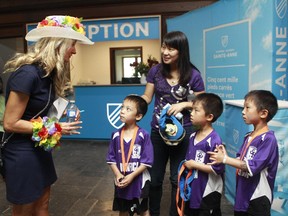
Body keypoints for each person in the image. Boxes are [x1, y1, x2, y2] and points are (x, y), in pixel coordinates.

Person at [2, 15, 93, 216]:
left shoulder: (48, 74)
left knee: (43, 204)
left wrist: (66, 109)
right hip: (21, 151)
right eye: (73, 44)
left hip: (39, 148)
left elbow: (42, 109)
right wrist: (55, 128)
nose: (75, 50)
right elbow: (10, 123)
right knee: (25, 209)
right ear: (58, 45)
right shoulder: (27, 74)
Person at [141, 31, 205, 216]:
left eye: (171, 48)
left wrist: (184, 104)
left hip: (183, 132)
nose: (165, 52)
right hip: (158, 132)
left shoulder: (193, 75)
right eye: (163, 47)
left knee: (177, 180)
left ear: (181, 51)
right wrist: (137, 101)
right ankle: (153, 213)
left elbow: (202, 103)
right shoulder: (155, 71)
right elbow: (147, 96)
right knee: (154, 180)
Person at [208, 90, 279, 216]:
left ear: (263, 113)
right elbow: (240, 162)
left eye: (247, 108)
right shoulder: (248, 136)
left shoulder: (268, 139)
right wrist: (225, 156)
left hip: (257, 199)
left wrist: (224, 159)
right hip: (242, 197)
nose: (243, 111)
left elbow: (250, 167)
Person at [106, 95, 154, 216]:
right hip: (122, 181)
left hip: (139, 181)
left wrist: (132, 176)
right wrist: (118, 174)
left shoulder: (143, 135)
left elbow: (146, 162)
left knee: (143, 209)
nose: (122, 110)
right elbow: (111, 159)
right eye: (122, 107)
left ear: (138, 116)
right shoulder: (116, 135)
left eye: (128, 109)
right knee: (123, 210)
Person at [181, 93, 224, 216]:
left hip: (208, 192)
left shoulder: (214, 140)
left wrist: (194, 164)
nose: (191, 113)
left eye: (196, 110)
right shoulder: (192, 136)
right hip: (192, 190)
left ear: (209, 116)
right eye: (192, 109)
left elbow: (217, 168)